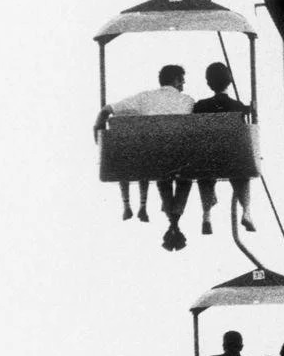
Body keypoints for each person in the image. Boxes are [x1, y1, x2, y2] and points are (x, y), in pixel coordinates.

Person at [93, 64, 195, 248]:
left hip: (154, 159)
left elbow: (107, 109)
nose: (183, 85)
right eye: (182, 81)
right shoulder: (188, 101)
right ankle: (174, 222)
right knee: (184, 177)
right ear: (176, 80)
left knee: (162, 173)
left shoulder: (144, 98)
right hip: (180, 158)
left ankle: (173, 224)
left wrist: (98, 124)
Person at [175, 62, 256, 236]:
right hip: (232, 159)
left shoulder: (200, 106)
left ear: (209, 83)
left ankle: (206, 215)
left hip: (208, 160)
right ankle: (247, 211)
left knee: (205, 174)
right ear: (229, 81)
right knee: (242, 175)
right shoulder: (238, 106)